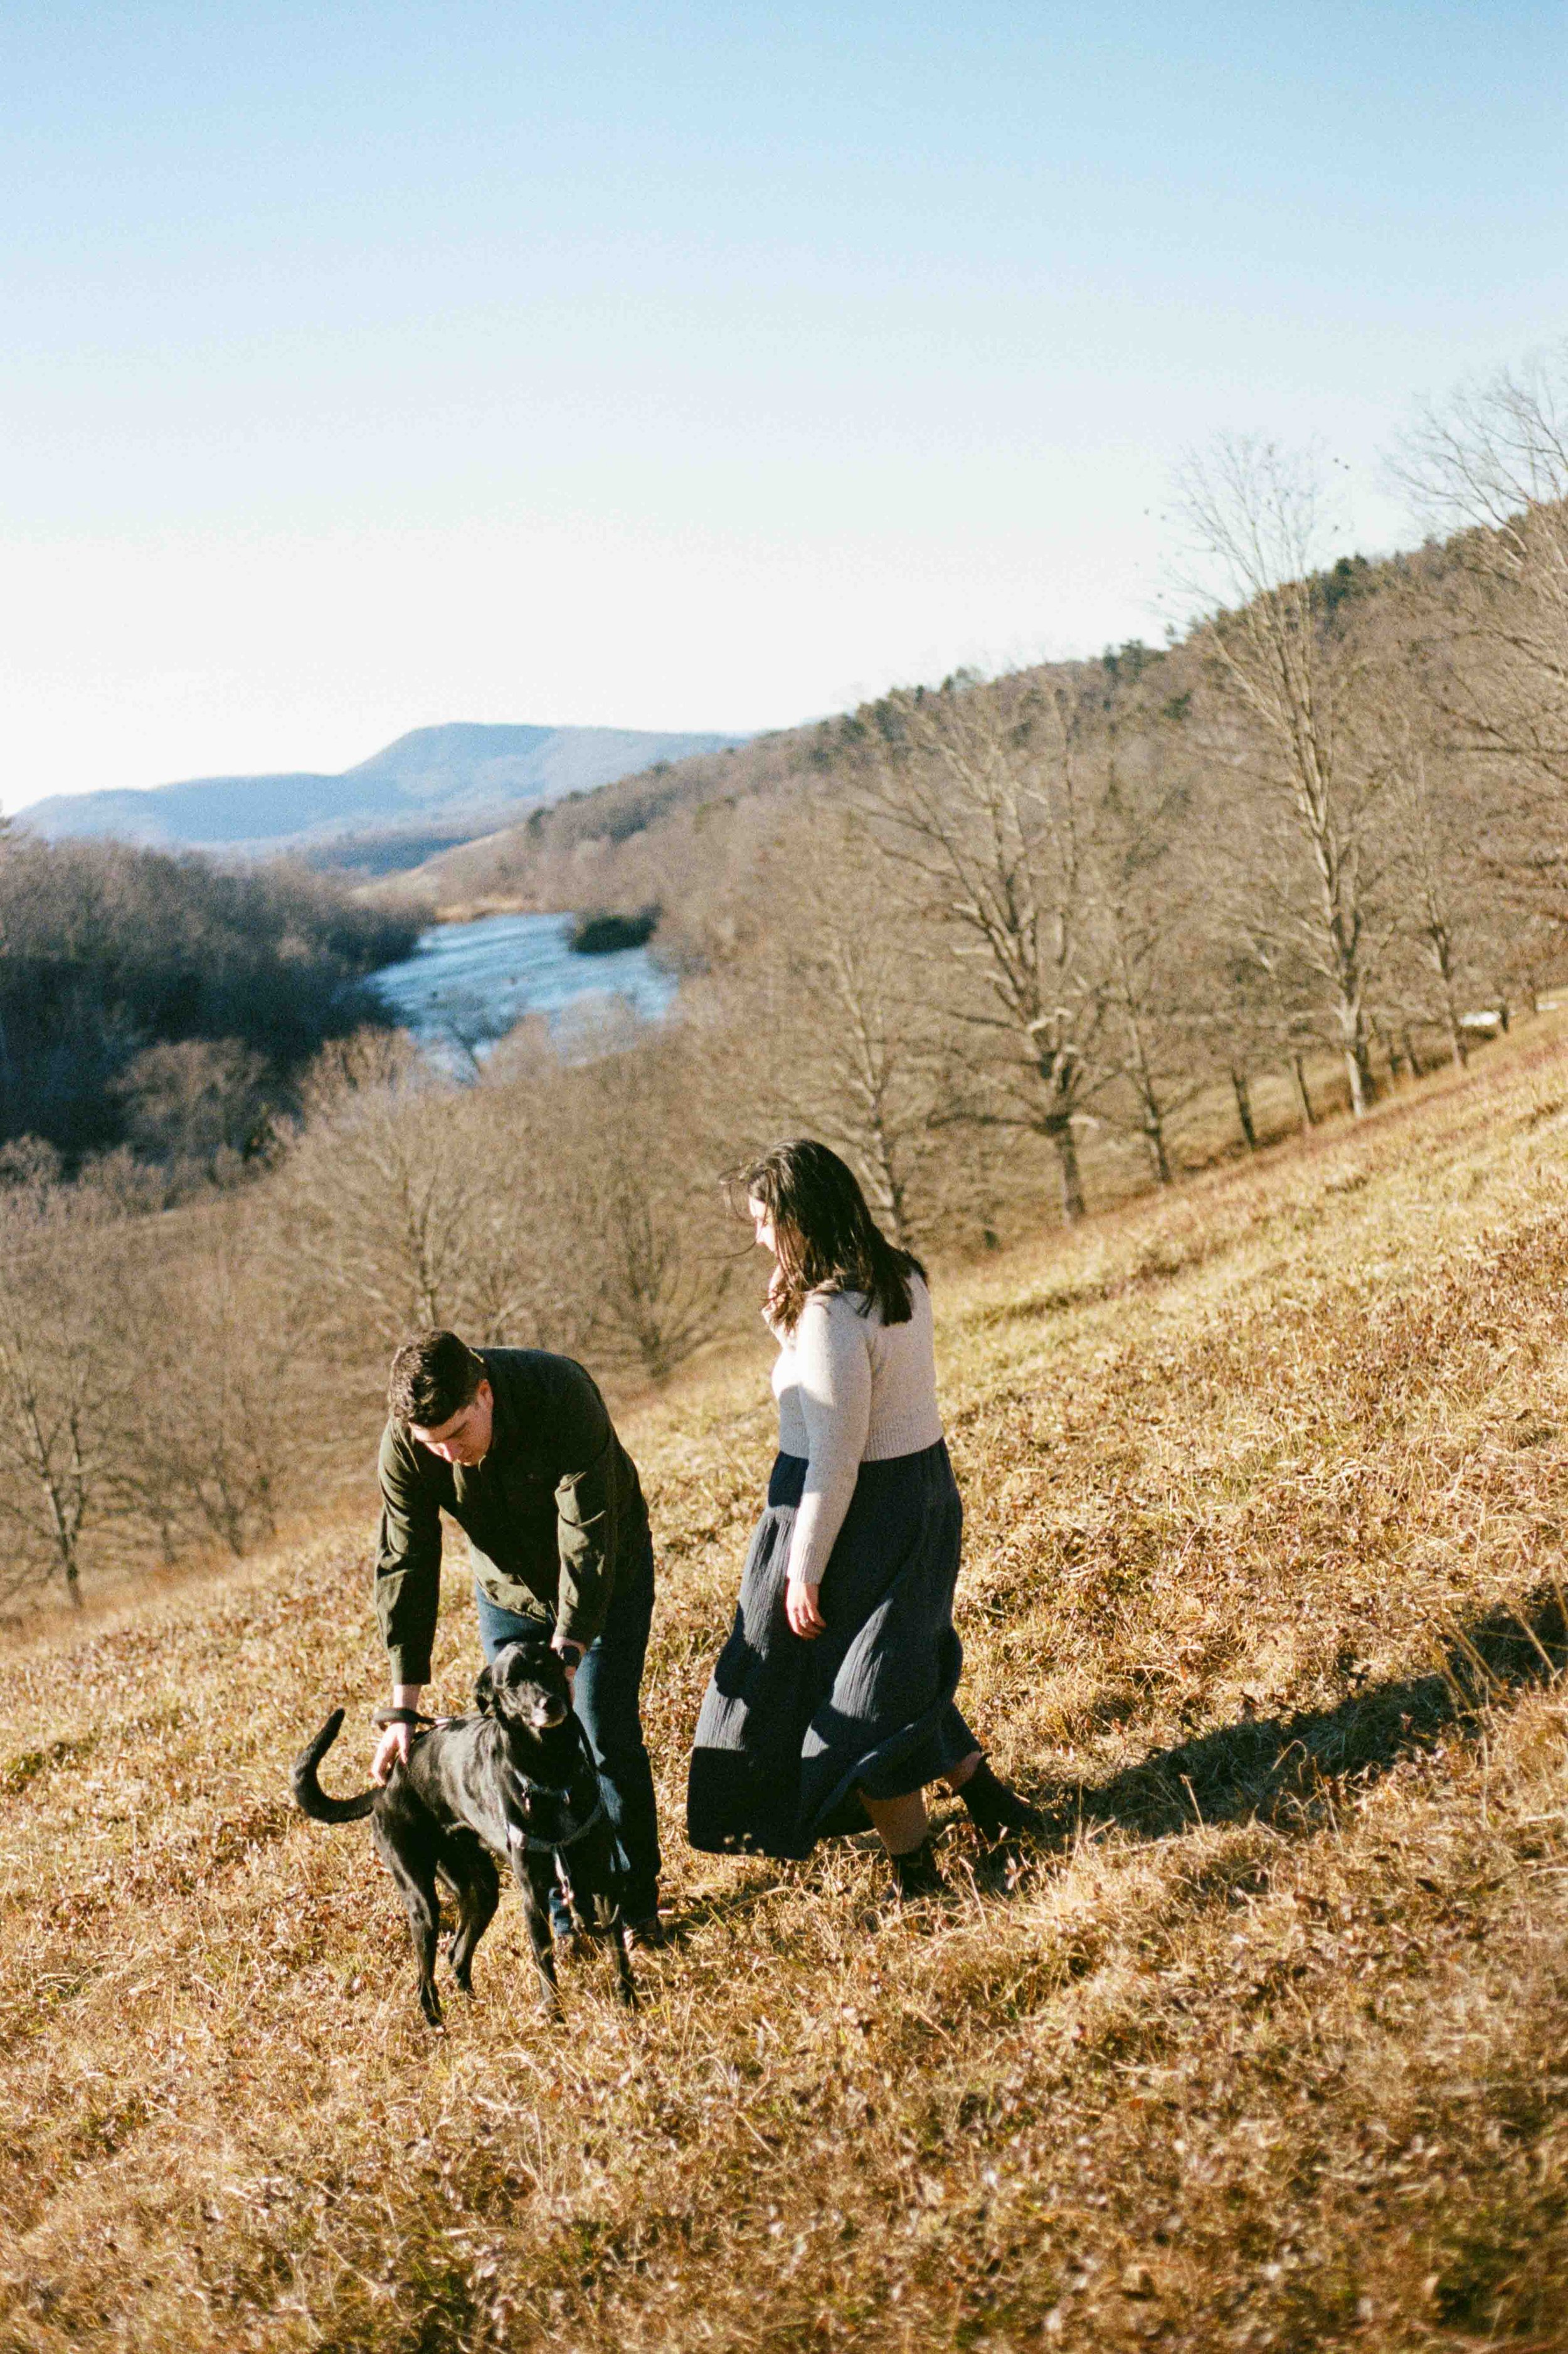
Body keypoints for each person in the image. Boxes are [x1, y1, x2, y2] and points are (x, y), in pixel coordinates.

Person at [686, 1140, 1038, 1897]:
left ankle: (916, 1876)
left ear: (800, 1220)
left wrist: (803, 1568)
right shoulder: (899, 1276)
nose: (758, 1239)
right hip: (920, 1493)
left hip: (849, 1513)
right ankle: (987, 1801)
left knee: (858, 1703)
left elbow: (836, 1456)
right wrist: (787, 1318)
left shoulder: (830, 1315)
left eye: (764, 1222)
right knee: (888, 1668)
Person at [371, 1328, 663, 1947]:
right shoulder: (406, 1444)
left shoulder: (560, 1392)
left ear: (484, 1393)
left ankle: (633, 1909)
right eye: (431, 1442)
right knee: (521, 1748)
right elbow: (406, 1562)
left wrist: (570, 1651)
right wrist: (403, 1709)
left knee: (602, 1734)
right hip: (508, 1595)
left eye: (457, 1433)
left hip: (606, 1578)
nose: (446, 1453)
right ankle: (562, 1920)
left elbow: (587, 1536)